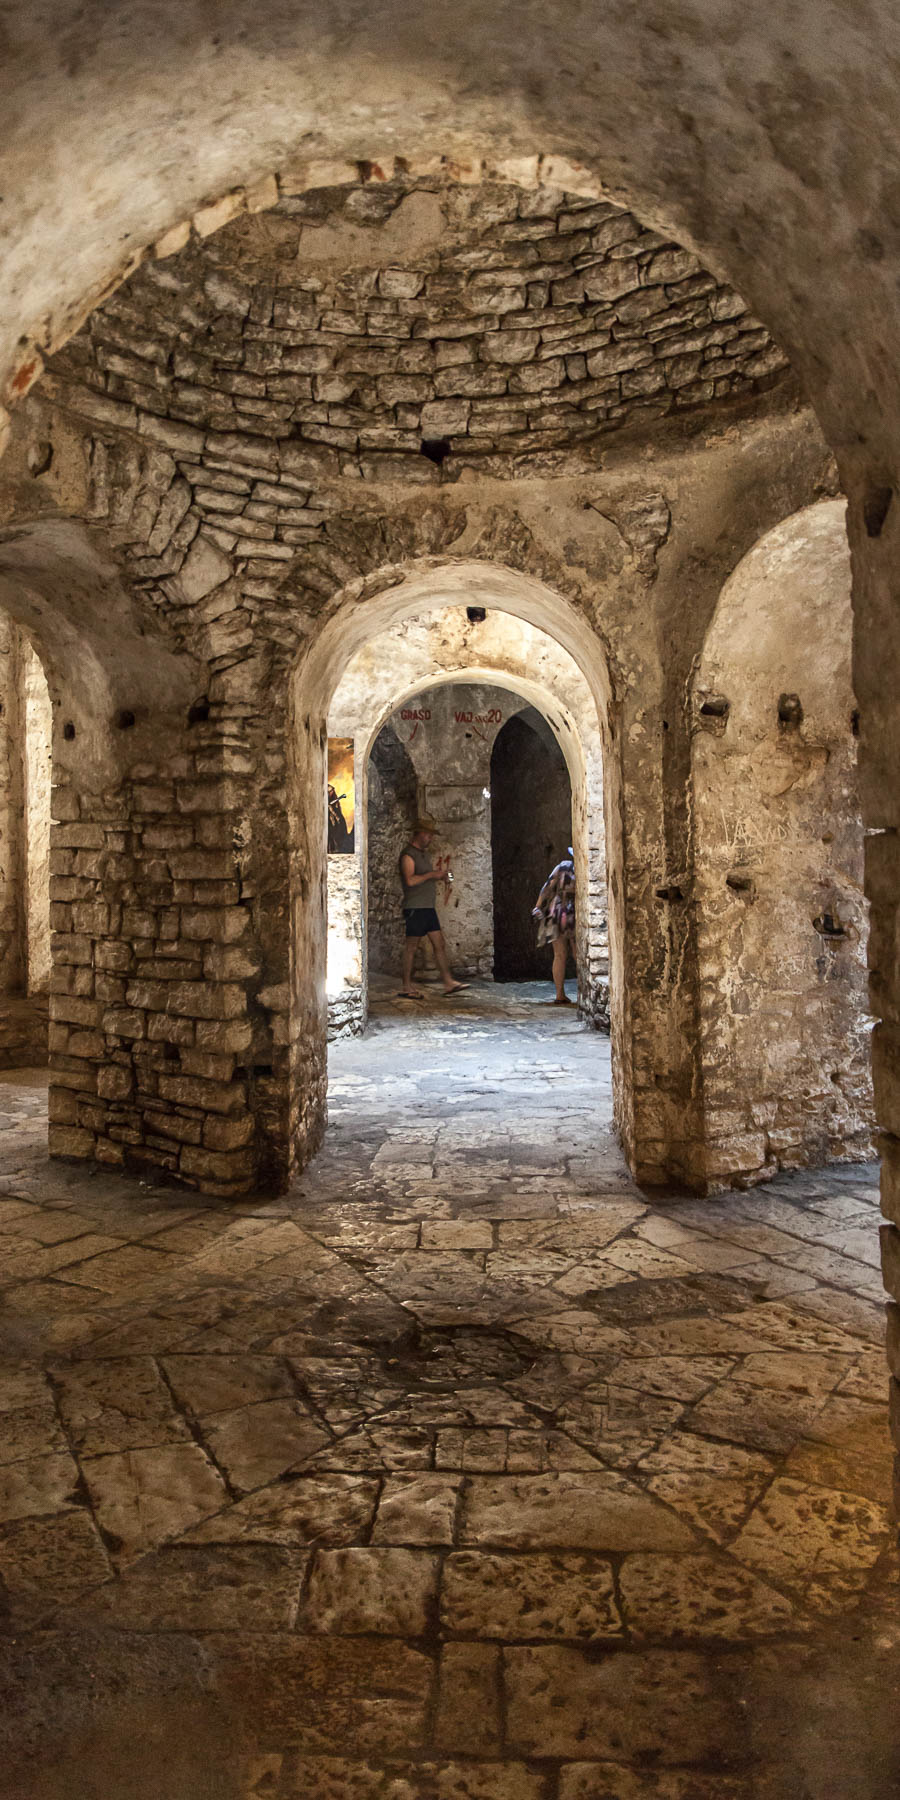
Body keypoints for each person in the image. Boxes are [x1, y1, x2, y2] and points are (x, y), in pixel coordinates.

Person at [397, 814, 469, 999]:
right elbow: (410, 880)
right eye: (428, 835)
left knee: (439, 944)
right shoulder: (408, 855)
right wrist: (431, 875)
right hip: (415, 908)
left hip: (427, 908)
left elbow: (426, 876)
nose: (430, 838)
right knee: (411, 947)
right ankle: (406, 986)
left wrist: (442, 876)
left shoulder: (423, 855)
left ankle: (448, 982)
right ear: (420, 833)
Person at [533, 847, 577, 1005]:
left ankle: (560, 994)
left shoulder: (563, 866)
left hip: (556, 911)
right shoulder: (584, 872)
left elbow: (548, 886)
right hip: (574, 913)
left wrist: (538, 906)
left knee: (559, 955)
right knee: (578, 954)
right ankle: (585, 992)